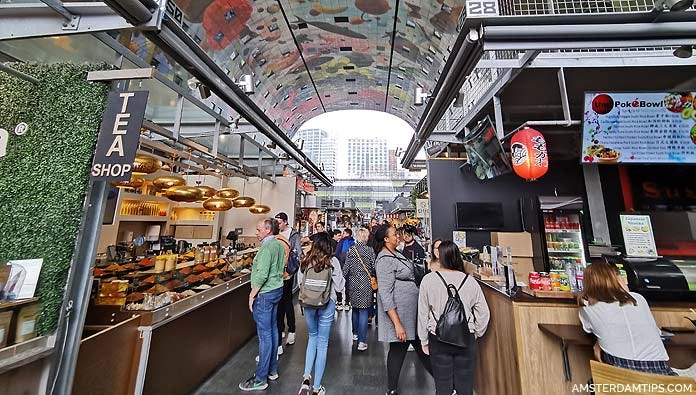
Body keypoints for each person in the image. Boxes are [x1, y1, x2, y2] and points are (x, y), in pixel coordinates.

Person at [578, 262, 676, 376]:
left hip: (621, 377)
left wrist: (598, 343)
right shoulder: (639, 299)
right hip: (661, 376)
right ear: (615, 279)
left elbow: (590, 329)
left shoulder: (588, 306)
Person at [418, 241, 490, 395]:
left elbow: (422, 313)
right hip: (465, 337)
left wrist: (423, 340)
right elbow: (484, 313)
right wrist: (476, 332)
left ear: (441, 258)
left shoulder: (428, 280)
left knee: (443, 386)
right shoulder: (470, 281)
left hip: (438, 337)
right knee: (465, 386)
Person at [374, 224, 432, 395]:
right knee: (405, 349)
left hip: (410, 313)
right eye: (394, 234)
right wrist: (397, 324)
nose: (397, 236)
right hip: (400, 315)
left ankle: (445, 382)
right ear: (385, 239)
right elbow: (385, 294)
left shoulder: (396, 253)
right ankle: (445, 383)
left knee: (416, 347)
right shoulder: (384, 260)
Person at [239, 219, 286, 391]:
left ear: (268, 230)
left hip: (265, 294)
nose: (257, 232)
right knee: (273, 331)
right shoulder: (279, 246)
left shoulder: (267, 248)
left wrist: (252, 295)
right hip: (276, 291)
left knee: (265, 337)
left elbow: (262, 274)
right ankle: (272, 370)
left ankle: (260, 379)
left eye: (259, 230)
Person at [297, 232, 345, 395]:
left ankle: (305, 379)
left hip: (309, 304)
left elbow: (299, 283)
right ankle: (317, 387)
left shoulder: (306, 260)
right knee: (322, 343)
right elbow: (339, 286)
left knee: (313, 337)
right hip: (327, 304)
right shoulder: (333, 261)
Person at [344, 227, 376, 351]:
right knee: (363, 311)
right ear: (366, 237)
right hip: (366, 284)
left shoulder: (351, 250)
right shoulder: (370, 250)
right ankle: (362, 342)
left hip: (352, 283)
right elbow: (373, 266)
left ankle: (355, 334)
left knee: (355, 309)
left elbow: (346, 268)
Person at [275, 212, 301, 350]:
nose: (277, 225)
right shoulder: (275, 233)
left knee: (286, 301)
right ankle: (282, 330)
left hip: (288, 274)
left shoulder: (294, 234)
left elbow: (298, 253)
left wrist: (290, 270)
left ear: (286, 222)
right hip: (277, 274)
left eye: (279, 222)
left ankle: (291, 330)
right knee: (281, 302)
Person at [335, 228, 356, 311]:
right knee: (348, 284)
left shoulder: (342, 241)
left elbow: (337, 253)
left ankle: (339, 302)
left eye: (343, 233)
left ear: (347, 234)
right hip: (350, 266)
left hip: (341, 266)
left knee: (339, 283)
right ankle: (347, 302)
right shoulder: (353, 242)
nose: (342, 234)